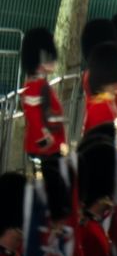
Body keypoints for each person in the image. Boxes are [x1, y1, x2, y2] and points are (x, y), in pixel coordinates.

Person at [19, 27, 65, 162]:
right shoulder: (34, 85)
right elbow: (33, 115)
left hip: (49, 146)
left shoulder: (39, 83)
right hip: (43, 148)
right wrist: (43, 140)